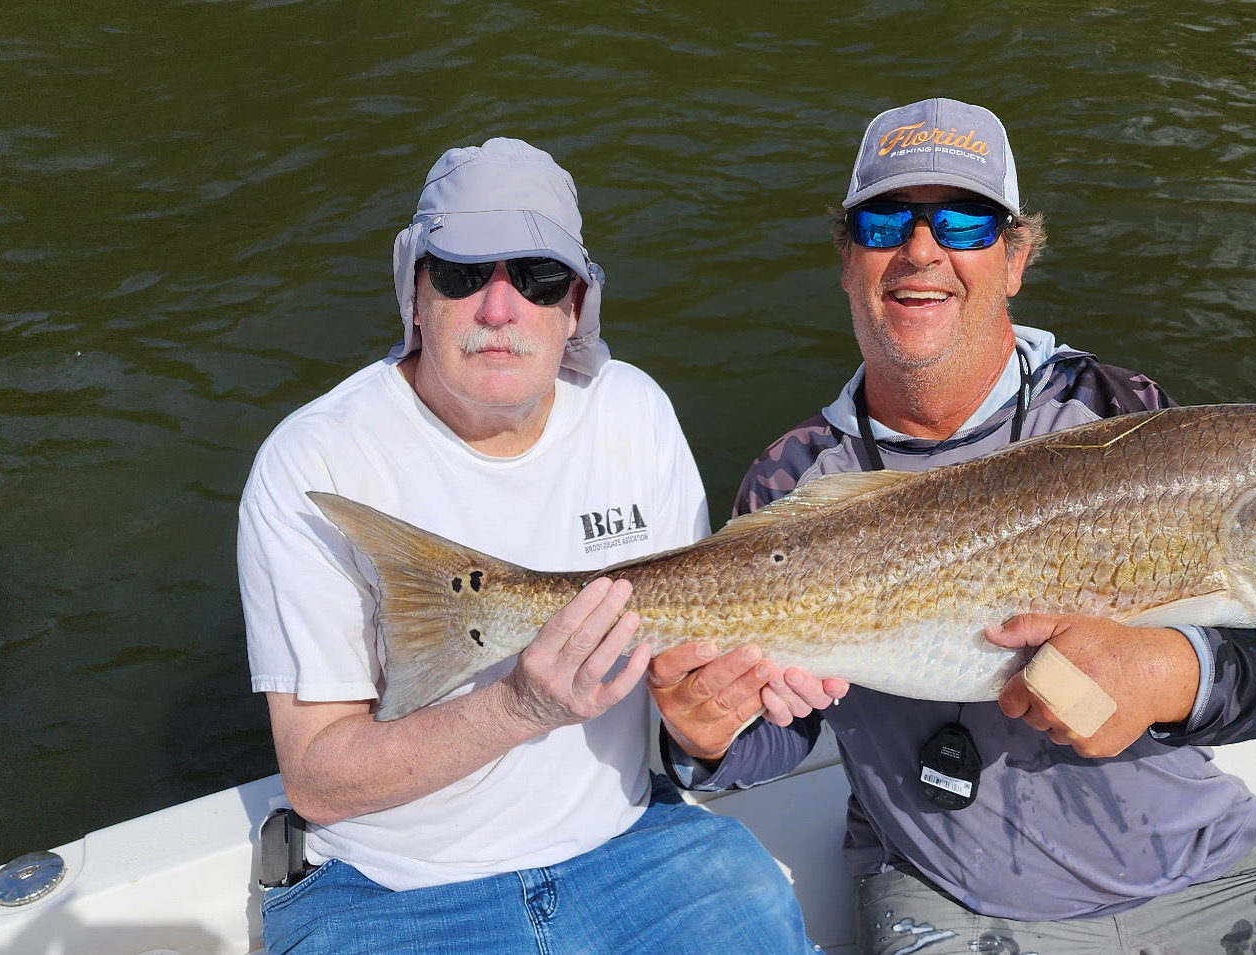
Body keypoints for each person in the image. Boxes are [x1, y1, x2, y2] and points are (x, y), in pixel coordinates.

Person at [654, 99, 1256, 954]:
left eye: (964, 221)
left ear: (1014, 258)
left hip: (1219, 864)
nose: (921, 249)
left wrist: (1170, 671)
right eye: (885, 220)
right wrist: (702, 735)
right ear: (848, 258)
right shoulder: (796, 477)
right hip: (959, 903)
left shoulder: (1119, 417)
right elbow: (777, 738)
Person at [236, 137, 821, 954]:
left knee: (760, 908)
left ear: (575, 306)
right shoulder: (314, 460)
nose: (500, 309)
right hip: (392, 889)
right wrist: (519, 706)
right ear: (414, 294)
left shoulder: (633, 412)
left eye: (538, 279)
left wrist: (708, 723)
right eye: (463, 274)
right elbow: (318, 779)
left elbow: (686, 679)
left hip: (634, 846)